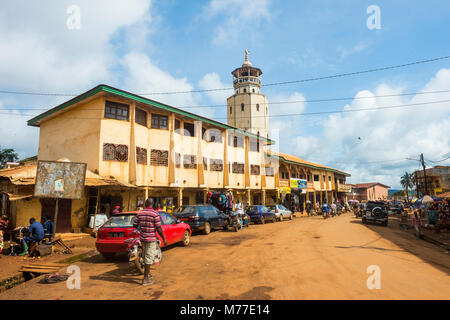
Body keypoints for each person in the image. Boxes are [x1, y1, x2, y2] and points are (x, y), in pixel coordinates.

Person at [133, 197, 167, 286]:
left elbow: (135, 224)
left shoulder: (140, 213)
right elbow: (159, 227)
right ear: (153, 204)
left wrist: (142, 226)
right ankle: (145, 279)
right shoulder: (155, 214)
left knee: (145, 256)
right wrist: (164, 238)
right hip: (151, 239)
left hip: (142, 238)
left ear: (145, 204)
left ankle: (147, 274)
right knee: (148, 258)